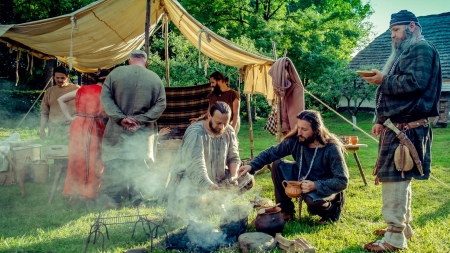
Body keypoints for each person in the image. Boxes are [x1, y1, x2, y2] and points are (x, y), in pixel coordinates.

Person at [361, 10, 441, 252]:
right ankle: (403, 227)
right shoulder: (406, 51)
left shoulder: (421, 49)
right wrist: (380, 119)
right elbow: (395, 94)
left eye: (396, 30)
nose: (392, 36)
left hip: (407, 129)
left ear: (413, 27)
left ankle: (395, 238)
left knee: (395, 179)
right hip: (398, 127)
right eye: (391, 32)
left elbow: (415, 83)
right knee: (400, 178)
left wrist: (383, 80)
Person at [238, 110, 348, 224]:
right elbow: (271, 153)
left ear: (316, 130)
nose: (299, 132)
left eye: (304, 129)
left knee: (312, 201)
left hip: (324, 184)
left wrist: (315, 185)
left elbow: (342, 180)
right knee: (277, 164)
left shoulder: (331, 148)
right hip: (302, 176)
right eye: (298, 127)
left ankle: (331, 212)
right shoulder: (296, 140)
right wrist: (251, 166)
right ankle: (286, 211)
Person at [100, 50, 166, 208]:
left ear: (129, 61)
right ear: (146, 62)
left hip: (116, 130)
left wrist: (121, 118)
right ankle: (138, 200)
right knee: (140, 165)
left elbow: (105, 98)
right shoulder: (154, 78)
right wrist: (140, 120)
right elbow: (161, 104)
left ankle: (114, 200)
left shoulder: (115, 74)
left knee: (115, 164)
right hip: (142, 133)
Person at [166, 101, 243, 218]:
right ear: (209, 116)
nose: (222, 127)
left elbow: (234, 157)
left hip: (217, 181)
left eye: (225, 123)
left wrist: (233, 176)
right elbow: (196, 167)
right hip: (191, 182)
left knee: (247, 180)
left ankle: (215, 202)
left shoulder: (229, 131)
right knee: (192, 204)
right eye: (218, 123)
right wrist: (209, 186)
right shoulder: (196, 133)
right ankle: (198, 205)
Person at [57, 70, 110, 205]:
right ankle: (88, 194)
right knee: (93, 160)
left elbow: (60, 99)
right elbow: (107, 113)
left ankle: (74, 193)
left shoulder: (82, 90)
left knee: (77, 158)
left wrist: (70, 117)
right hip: (93, 126)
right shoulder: (104, 93)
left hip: (77, 125)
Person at [40, 66, 79, 141]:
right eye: (57, 78)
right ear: (53, 77)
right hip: (54, 129)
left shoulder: (76, 89)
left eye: (62, 78)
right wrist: (42, 130)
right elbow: (44, 113)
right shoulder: (49, 91)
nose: (60, 80)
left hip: (71, 129)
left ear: (67, 77)